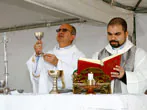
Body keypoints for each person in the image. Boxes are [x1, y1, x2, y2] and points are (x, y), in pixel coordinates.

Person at [92, 17, 147, 94]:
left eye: (117, 34)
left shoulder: (138, 54)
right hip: (105, 103)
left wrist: (124, 76)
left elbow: (144, 80)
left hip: (129, 103)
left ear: (126, 34)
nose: (113, 38)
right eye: (110, 34)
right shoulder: (99, 55)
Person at [26, 24, 85, 94]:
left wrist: (57, 63)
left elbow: (78, 80)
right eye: (59, 30)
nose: (60, 32)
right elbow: (37, 76)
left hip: (68, 96)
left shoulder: (79, 56)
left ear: (72, 37)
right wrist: (37, 56)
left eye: (64, 30)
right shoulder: (49, 54)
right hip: (48, 96)